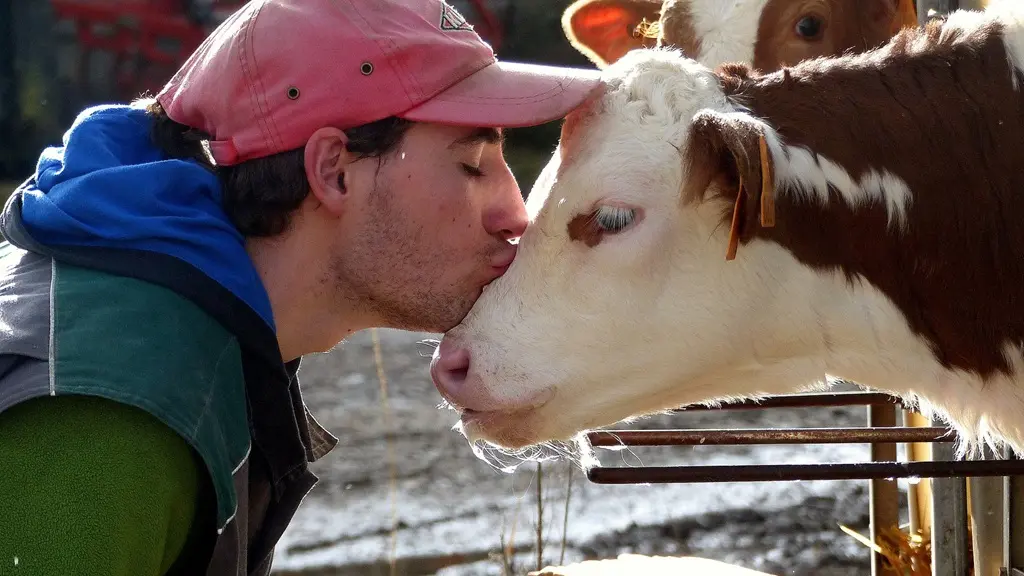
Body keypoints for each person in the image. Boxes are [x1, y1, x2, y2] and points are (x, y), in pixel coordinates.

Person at [0, 0, 602, 574]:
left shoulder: (168, 325)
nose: (515, 215)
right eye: (472, 165)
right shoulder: (116, 417)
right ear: (333, 170)